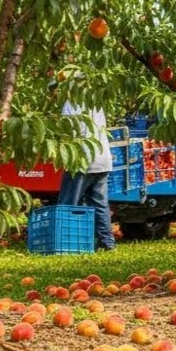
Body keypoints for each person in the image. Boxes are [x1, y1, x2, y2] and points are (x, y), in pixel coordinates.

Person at [58, 100, 116, 251]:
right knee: (100, 204)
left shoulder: (71, 104)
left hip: (82, 160)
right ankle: (107, 243)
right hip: (102, 158)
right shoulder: (95, 101)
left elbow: (67, 132)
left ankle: (64, 242)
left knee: (68, 203)